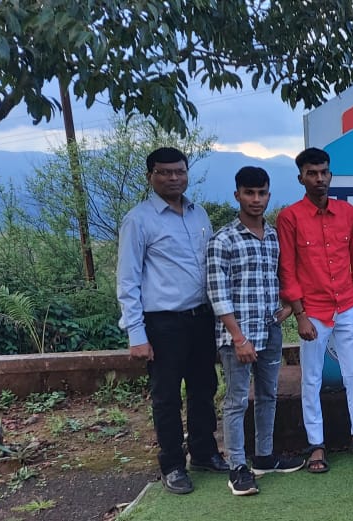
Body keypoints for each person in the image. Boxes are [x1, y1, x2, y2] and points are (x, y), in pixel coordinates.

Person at [117, 147, 228, 495]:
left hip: (201, 317)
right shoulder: (138, 220)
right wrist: (136, 333)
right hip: (163, 323)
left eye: (179, 171)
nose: (173, 178)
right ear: (150, 176)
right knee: (166, 396)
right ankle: (172, 465)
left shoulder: (199, 214)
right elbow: (127, 280)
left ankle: (204, 452)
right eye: (164, 172)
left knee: (204, 388)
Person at [276, 147, 353, 473]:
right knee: (311, 378)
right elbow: (288, 269)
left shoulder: (346, 212)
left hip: (347, 305)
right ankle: (316, 445)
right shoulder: (290, 217)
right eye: (312, 173)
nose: (319, 178)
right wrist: (300, 315)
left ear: (330, 174)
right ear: (301, 178)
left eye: (324, 172)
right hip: (313, 311)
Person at [206, 167, 305, 496]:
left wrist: (287, 308)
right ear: (237, 195)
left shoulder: (274, 236)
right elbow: (218, 294)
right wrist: (238, 338)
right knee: (236, 401)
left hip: (270, 330)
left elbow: (283, 275)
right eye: (249, 193)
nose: (256, 199)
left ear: (268, 195)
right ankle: (237, 467)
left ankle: (264, 456)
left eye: (262, 193)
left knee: (267, 396)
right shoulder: (223, 240)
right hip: (238, 337)